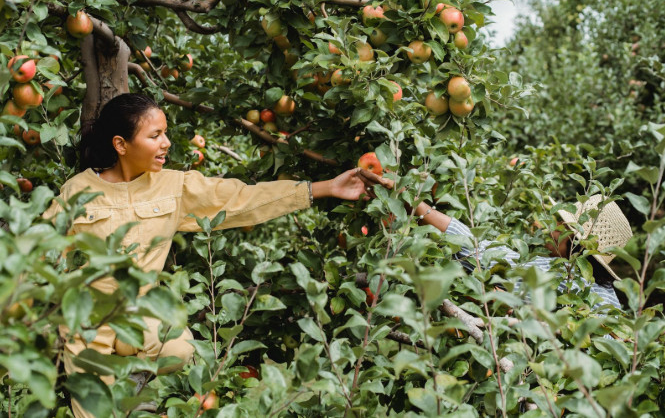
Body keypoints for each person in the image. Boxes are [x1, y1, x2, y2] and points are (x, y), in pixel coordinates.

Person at [42, 93, 381, 418]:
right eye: (156, 135)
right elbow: (41, 253)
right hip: (87, 323)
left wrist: (322, 188)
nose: (167, 143)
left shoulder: (174, 186)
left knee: (179, 346)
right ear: (121, 145)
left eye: (166, 133)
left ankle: (131, 392)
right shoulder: (79, 192)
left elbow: (240, 199)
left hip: (140, 313)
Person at [411, 194, 633, 309]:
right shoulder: (608, 297)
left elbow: (477, 252)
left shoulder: (561, 274)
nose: (551, 228)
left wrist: (418, 206)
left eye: (559, 223)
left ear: (572, 238)